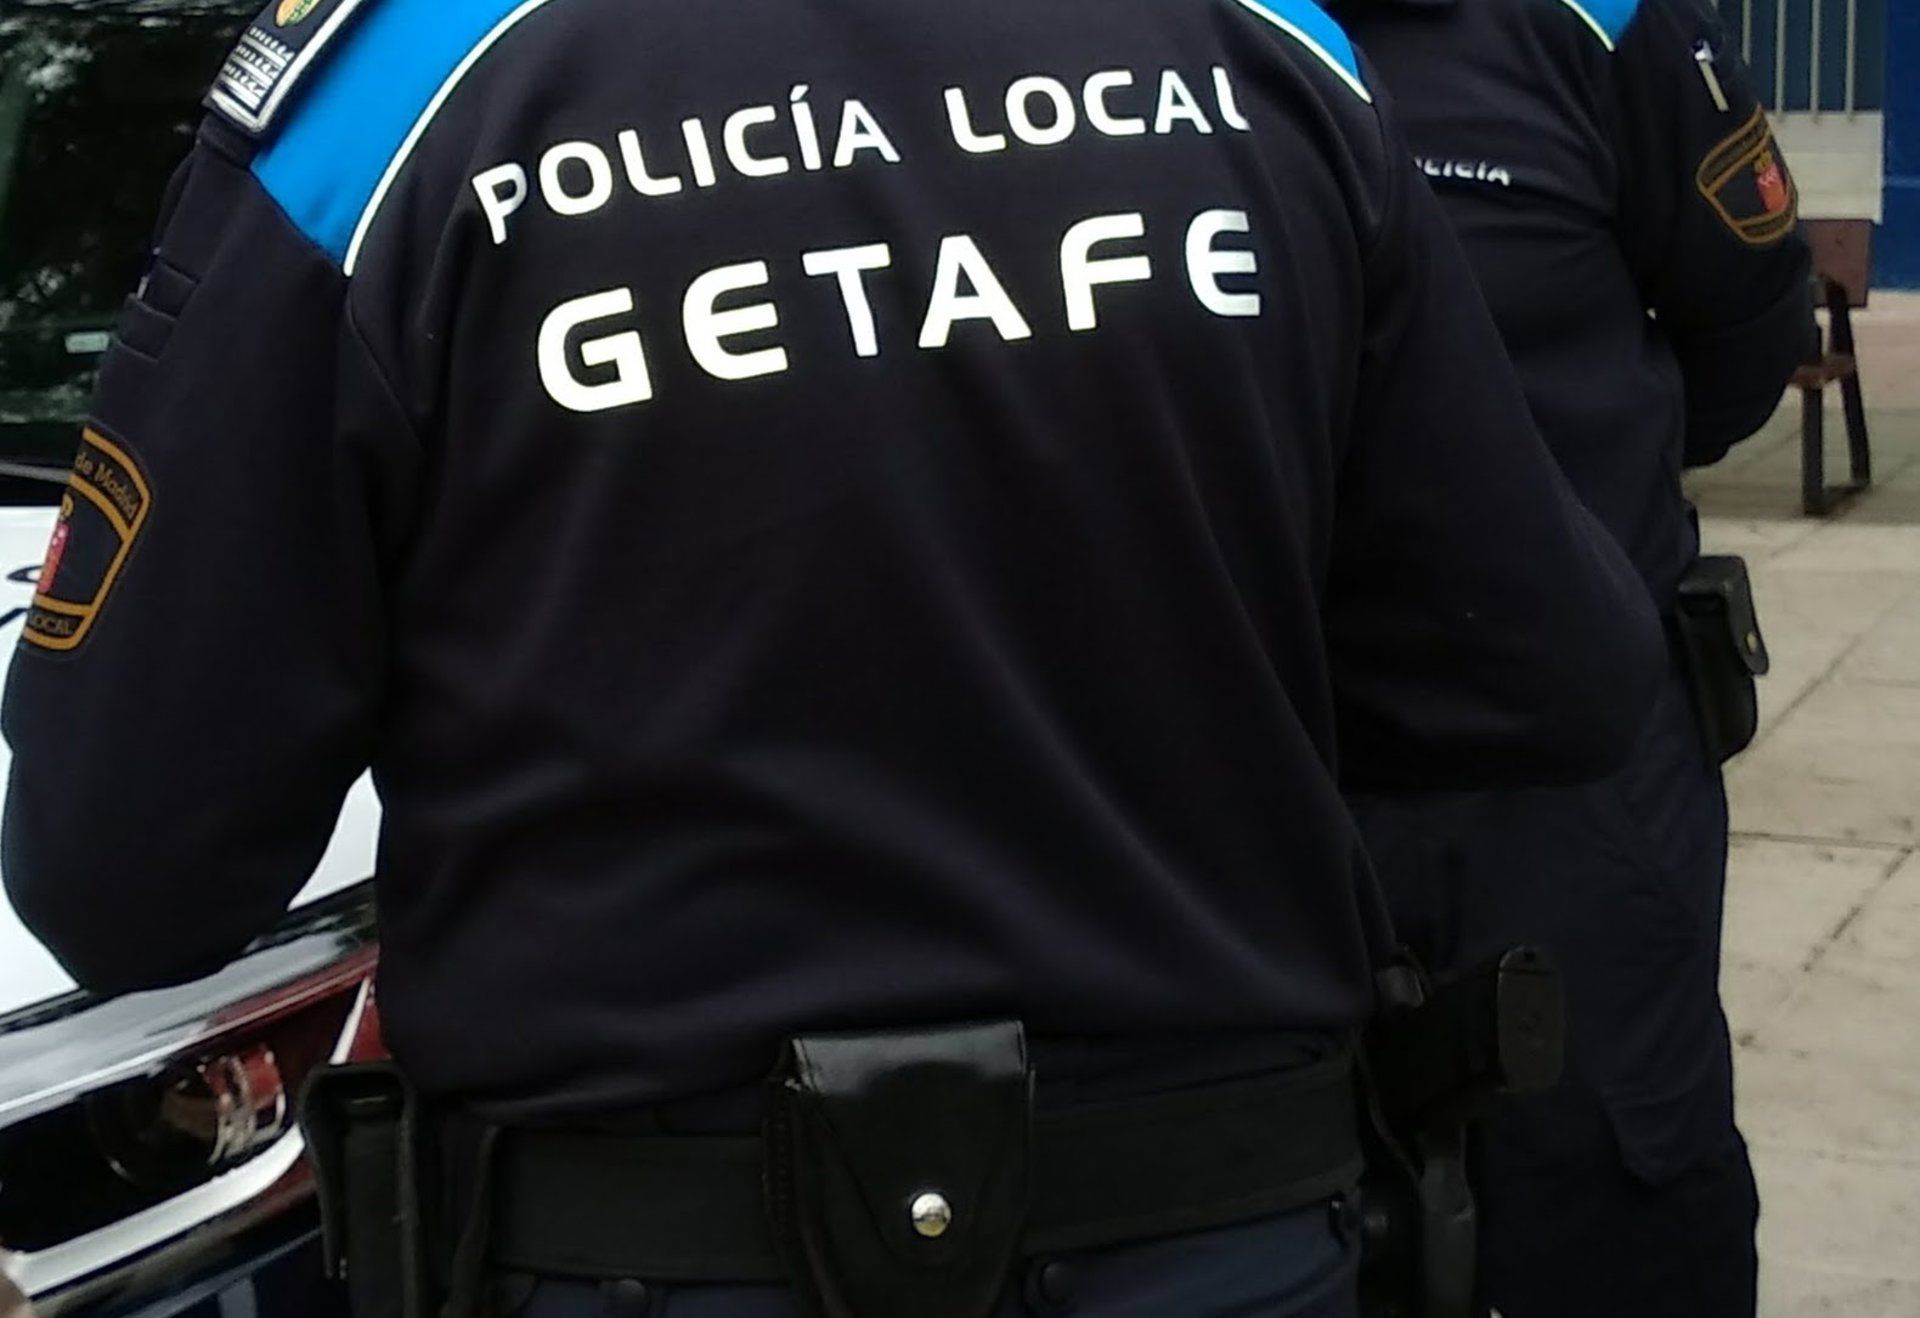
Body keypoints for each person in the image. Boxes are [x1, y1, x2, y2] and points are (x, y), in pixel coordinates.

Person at [1, 0, 1664, 1311]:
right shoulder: (1260, 53)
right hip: (1215, 1234)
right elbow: (1554, 674)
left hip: (647, 1253)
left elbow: (119, 867)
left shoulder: (399, 93)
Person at [1330, 0, 1816, 1313]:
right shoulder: (1162, 40)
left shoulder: (1604, 26)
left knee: (1612, 1194)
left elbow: (1749, 327)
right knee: (1275, 1222)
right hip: (1272, 772)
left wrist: (1557, 521)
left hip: (1575, 780)